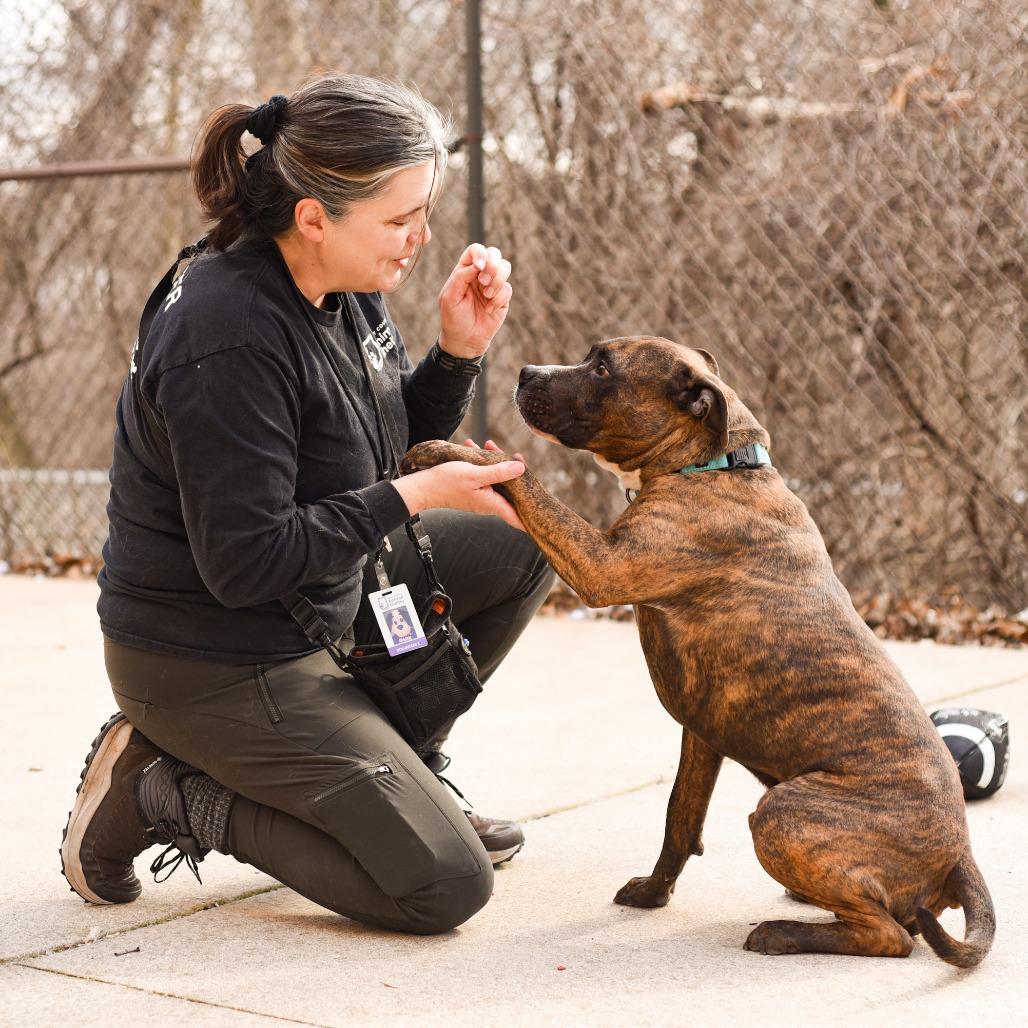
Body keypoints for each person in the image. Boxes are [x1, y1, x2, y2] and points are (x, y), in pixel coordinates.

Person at [59, 74, 554, 935]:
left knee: (522, 546)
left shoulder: (341, 284)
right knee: (441, 886)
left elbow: (369, 450)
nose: (420, 237)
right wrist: (416, 493)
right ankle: (164, 788)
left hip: (316, 600)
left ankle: (401, 766)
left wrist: (457, 353)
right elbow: (246, 562)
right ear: (315, 216)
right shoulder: (229, 332)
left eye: (423, 212)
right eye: (400, 220)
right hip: (214, 657)